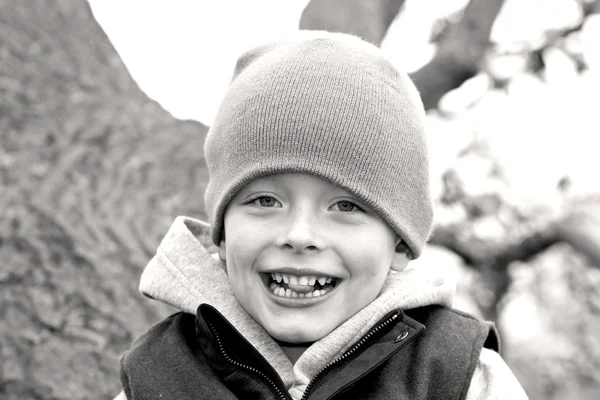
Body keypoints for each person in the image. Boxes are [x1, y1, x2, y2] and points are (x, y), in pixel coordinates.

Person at [114, 31, 528, 400]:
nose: (299, 235)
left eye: (346, 206)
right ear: (222, 233)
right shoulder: (155, 374)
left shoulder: (460, 377)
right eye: (264, 201)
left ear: (401, 243)